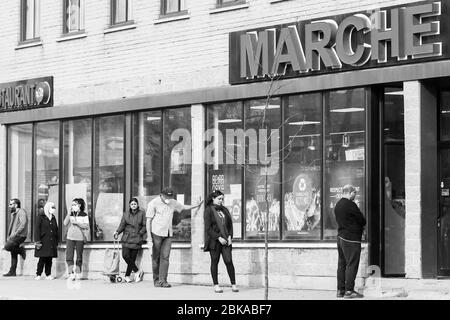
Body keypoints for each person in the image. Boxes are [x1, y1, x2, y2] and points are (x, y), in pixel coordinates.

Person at [146, 187, 202, 288]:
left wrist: (196, 205)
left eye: (170, 196)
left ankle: (163, 281)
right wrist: (149, 238)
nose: (168, 198)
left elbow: (184, 207)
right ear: (161, 195)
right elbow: (148, 221)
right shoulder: (153, 203)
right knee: (156, 258)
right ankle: (156, 280)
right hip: (156, 233)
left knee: (165, 257)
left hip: (168, 234)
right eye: (166, 196)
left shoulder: (172, 202)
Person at [334, 185, 366, 299]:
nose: (355, 196)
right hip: (351, 238)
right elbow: (362, 219)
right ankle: (349, 291)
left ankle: (340, 290)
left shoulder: (338, 205)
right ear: (350, 192)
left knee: (342, 264)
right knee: (352, 264)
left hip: (341, 237)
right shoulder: (350, 204)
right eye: (354, 193)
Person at [203, 190, 238, 293]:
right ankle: (216, 285)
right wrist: (219, 237)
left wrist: (230, 236)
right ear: (213, 198)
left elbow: (230, 225)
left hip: (226, 240)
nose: (221, 201)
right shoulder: (208, 210)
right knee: (215, 262)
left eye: (222, 199)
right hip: (215, 241)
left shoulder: (225, 210)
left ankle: (233, 284)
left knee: (229, 261)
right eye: (219, 199)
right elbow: (208, 229)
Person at [114, 197, 147, 283]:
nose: (133, 205)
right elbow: (122, 225)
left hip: (137, 238)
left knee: (132, 258)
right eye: (132, 204)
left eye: (135, 204)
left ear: (137, 205)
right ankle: (137, 271)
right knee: (125, 256)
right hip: (126, 238)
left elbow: (145, 225)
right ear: (129, 205)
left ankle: (127, 276)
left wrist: (140, 233)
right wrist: (117, 232)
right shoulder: (126, 214)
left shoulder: (142, 213)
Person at [63, 198, 90, 280]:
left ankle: (78, 273)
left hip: (80, 238)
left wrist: (78, 223)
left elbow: (86, 226)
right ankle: (71, 273)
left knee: (79, 257)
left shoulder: (84, 214)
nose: (73, 206)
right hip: (70, 237)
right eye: (72, 204)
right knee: (69, 256)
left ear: (79, 205)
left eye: (75, 204)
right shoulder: (71, 214)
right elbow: (65, 223)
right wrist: (68, 214)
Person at [34, 201, 59, 280]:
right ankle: (38, 274)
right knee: (42, 258)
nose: (53, 209)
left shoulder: (53, 217)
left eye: (54, 208)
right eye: (52, 208)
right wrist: (37, 241)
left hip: (51, 241)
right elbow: (37, 229)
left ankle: (48, 274)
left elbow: (56, 229)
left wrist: (56, 241)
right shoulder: (41, 217)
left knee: (49, 259)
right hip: (43, 241)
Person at [3, 198, 28, 277]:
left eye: (11, 204)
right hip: (14, 236)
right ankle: (12, 272)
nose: (9, 206)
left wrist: (15, 233)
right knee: (13, 253)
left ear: (16, 205)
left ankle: (21, 250)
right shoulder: (13, 213)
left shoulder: (21, 212)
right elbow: (12, 226)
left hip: (20, 236)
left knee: (7, 246)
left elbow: (23, 224)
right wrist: (9, 236)